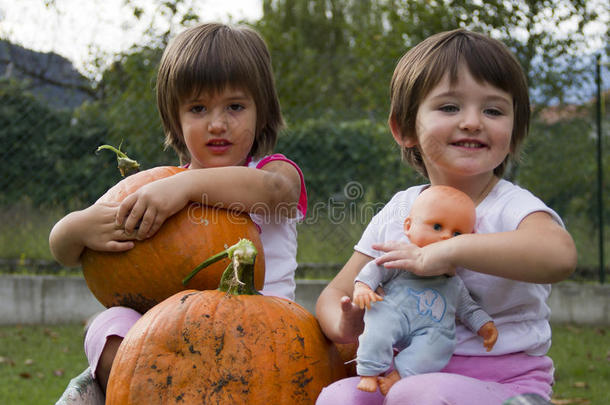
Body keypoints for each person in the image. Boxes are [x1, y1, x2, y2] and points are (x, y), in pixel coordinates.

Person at [315, 28, 577, 405]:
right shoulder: (401, 210)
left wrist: (446, 252)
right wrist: (345, 323)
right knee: (338, 398)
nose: (472, 121)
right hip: (403, 369)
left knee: (419, 395)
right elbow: (335, 292)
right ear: (405, 129)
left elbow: (560, 256)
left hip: (505, 378)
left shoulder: (512, 207)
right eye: (449, 107)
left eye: (493, 110)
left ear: (514, 129)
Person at [49, 22, 307, 395]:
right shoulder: (158, 189)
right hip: (170, 347)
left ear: (261, 113)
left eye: (235, 106)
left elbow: (276, 193)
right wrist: (79, 227)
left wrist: (186, 188)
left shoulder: (272, 172)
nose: (218, 123)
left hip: (260, 343)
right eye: (198, 108)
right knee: (106, 325)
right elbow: (65, 250)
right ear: (176, 119)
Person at [353, 185, 498, 395]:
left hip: (432, 329)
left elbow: (468, 308)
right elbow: (377, 268)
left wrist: (485, 325)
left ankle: (400, 374)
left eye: (458, 233)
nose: (447, 237)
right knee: (378, 320)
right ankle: (370, 370)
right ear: (409, 226)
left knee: (440, 346)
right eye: (437, 227)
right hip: (395, 312)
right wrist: (363, 286)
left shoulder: (454, 283)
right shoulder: (402, 257)